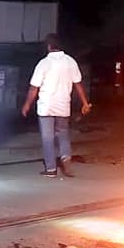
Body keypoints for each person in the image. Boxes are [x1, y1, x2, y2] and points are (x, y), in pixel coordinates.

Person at [22, 33, 92, 178]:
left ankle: (51, 169)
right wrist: (85, 103)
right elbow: (78, 83)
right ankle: (66, 163)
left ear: (48, 46)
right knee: (63, 136)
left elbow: (34, 87)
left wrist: (27, 104)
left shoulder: (44, 63)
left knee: (48, 138)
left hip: (46, 106)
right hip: (63, 106)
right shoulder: (70, 62)